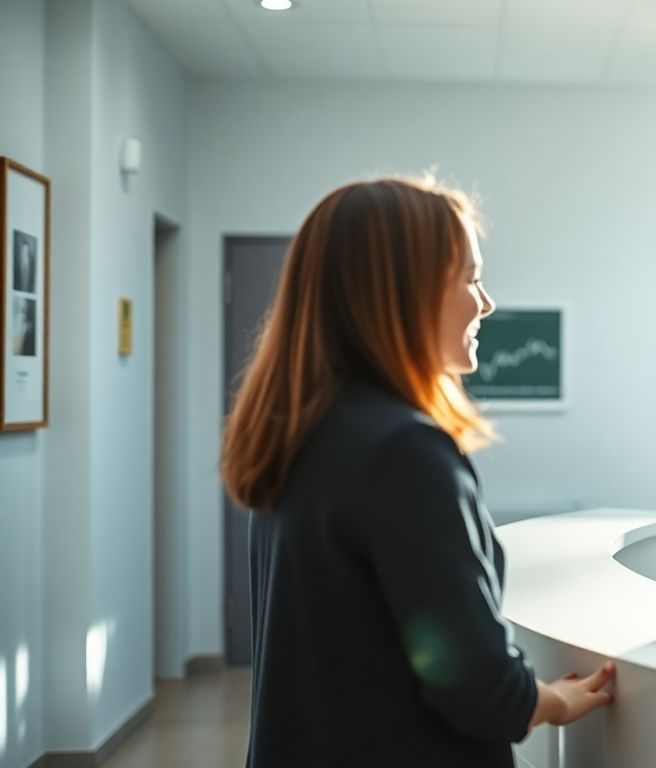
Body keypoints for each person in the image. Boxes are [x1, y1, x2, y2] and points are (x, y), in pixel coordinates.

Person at [220, 176, 615, 766]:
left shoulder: (299, 435)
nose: (487, 303)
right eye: (471, 279)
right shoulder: (403, 452)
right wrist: (554, 700)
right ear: (405, 293)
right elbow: (480, 689)